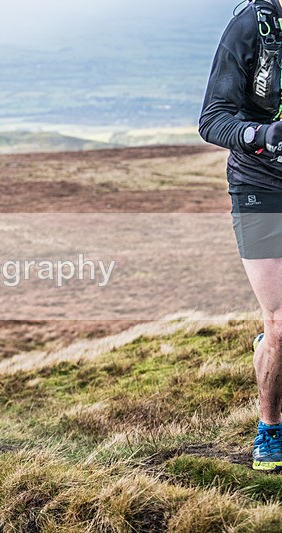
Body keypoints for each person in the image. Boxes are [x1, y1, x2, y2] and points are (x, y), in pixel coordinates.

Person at [200, 0, 282, 471]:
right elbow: (212, 118)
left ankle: (269, 349)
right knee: (281, 323)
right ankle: (270, 429)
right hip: (261, 185)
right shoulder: (252, 26)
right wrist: (262, 135)